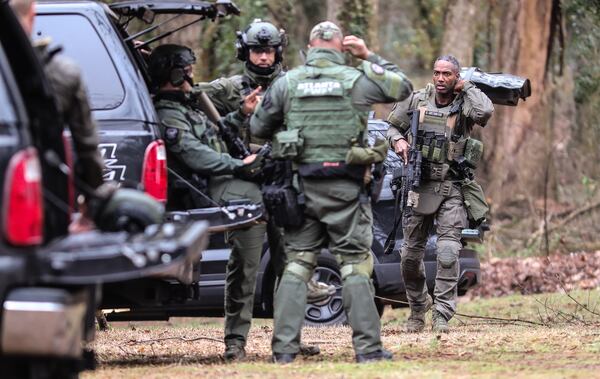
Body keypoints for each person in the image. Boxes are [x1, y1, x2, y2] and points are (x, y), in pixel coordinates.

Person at [250, 21, 413, 363]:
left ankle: (283, 351)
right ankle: (368, 351)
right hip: (347, 190)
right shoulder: (355, 81)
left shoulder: (287, 82)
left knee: (296, 266)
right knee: (354, 265)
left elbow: (258, 128)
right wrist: (367, 55)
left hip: (301, 189)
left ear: (309, 48)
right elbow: (402, 87)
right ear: (341, 47)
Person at [196, 19, 335, 308]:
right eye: (257, 50)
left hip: (285, 184)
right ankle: (236, 345)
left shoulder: (293, 85)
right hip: (245, 186)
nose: (263, 57)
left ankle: (289, 341)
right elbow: (189, 94)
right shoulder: (230, 89)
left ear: (277, 52)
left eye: (269, 51)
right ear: (244, 51)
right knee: (243, 269)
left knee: (293, 266)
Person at [148, 44, 266, 362]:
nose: (191, 75)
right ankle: (235, 342)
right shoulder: (167, 112)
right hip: (211, 189)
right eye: (186, 70)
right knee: (246, 257)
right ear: (174, 73)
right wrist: (241, 166)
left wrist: (241, 114)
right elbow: (197, 156)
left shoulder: (187, 105)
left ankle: (288, 336)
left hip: (226, 179)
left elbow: (212, 136)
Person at [386, 55, 493, 333]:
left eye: (447, 74)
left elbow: (485, 113)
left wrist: (468, 88)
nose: (441, 78)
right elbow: (392, 125)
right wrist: (398, 141)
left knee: (447, 252)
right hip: (419, 185)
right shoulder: (417, 99)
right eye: (437, 73)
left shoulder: (465, 102)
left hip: (452, 188)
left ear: (456, 77)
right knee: (409, 256)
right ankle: (419, 306)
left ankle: (442, 314)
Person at [10, 0, 106, 237]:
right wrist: (93, 201)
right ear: (32, 13)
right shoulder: (61, 73)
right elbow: (87, 148)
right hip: (42, 210)